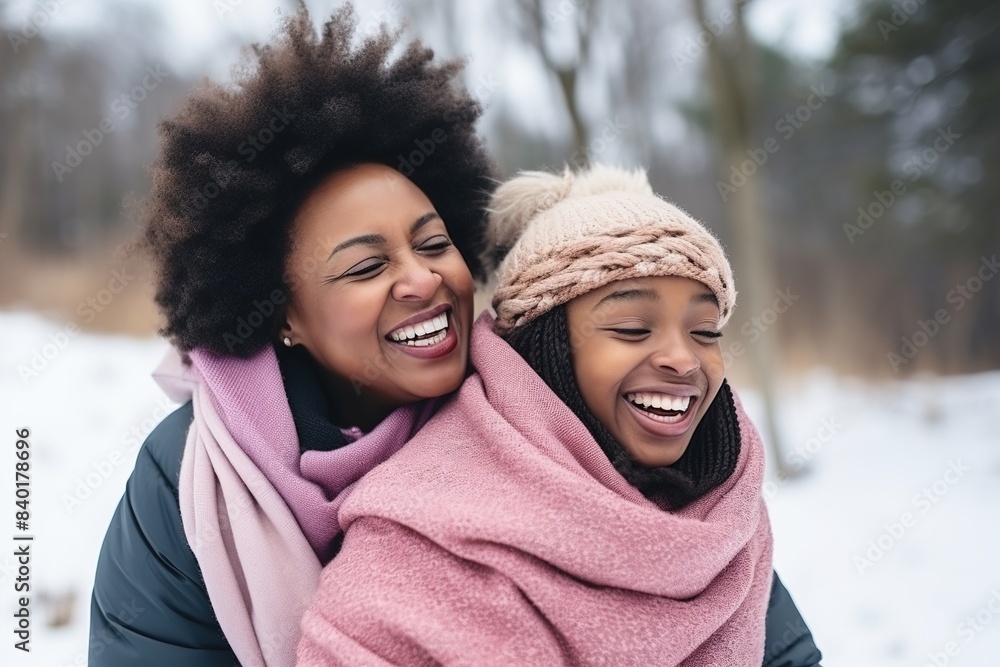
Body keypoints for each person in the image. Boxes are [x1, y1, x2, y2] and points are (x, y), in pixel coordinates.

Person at [88, 6, 495, 666]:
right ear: (282, 315)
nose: (422, 279)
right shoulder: (186, 485)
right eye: (367, 266)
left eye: (434, 243)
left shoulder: (524, 420)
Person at [297, 164, 823, 666]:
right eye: (632, 329)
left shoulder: (722, 517)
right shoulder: (410, 551)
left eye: (705, 332)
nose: (683, 359)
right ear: (542, 348)